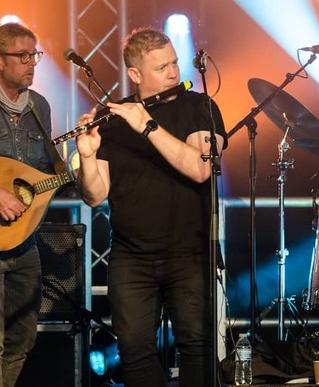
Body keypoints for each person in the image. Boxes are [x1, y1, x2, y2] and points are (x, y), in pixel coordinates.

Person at [75, 28, 226, 387]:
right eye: (161, 67)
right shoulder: (111, 118)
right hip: (131, 256)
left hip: (189, 252)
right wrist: (87, 157)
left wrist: (147, 125)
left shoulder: (201, 107)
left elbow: (200, 168)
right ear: (135, 75)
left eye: (174, 63)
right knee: (134, 352)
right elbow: (94, 195)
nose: (173, 73)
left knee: (197, 347)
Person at [0, 23, 55, 387]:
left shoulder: (40, 107)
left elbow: (44, 175)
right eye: (22, 56)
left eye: (34, 55)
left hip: (25, 241)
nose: (31, 63)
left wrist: (81, 166)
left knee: (23, 338)